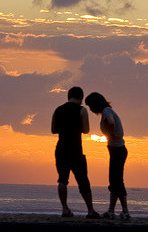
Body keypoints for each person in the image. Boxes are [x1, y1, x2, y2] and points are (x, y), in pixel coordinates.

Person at [51, 86, 100, 219]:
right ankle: (90, 210)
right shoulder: (82, 110)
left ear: (68, 96)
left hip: (61, 149)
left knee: (62, 180)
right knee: (83, 180)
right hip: (76, 149)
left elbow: (53, 129)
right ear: (81, 97)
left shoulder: (58, 110)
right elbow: (86, 130)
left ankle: (65, 209)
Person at [85, 92, 130, 220]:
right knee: (115, 182)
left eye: (90, 106)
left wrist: (111, 134)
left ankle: (125, 211)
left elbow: (110, 122)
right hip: (116, 149)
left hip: (117, 150)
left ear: (95, 103)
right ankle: (111, 211)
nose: (90, 109)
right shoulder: (107, 111)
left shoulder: (106, 111)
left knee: (117, 181)